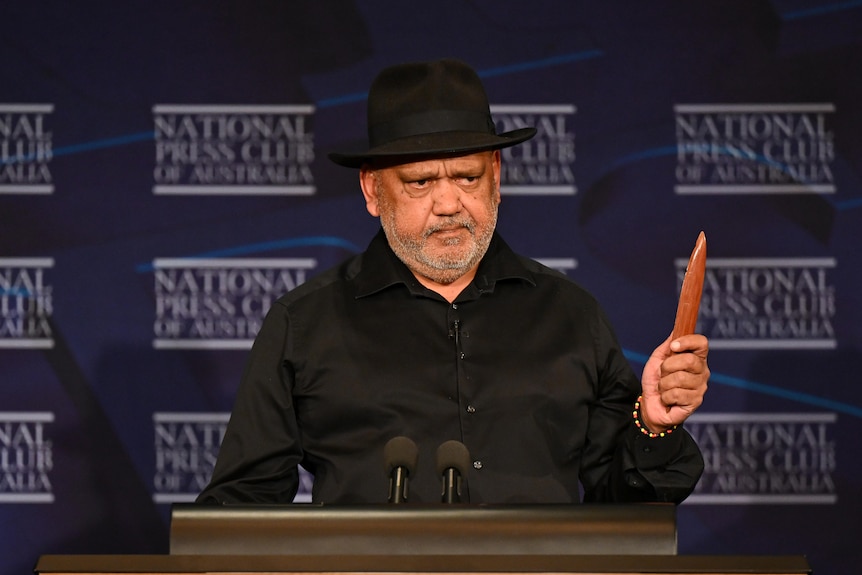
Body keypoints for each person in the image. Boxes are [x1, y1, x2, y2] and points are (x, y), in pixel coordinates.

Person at [197, 58, 709, 505]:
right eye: (420, 182)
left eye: (467, 177)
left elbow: (626, 505)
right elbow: (242, 509)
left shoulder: (571, 314)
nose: (448, 204)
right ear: (373, 190)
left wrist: (654, 426)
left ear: (497, 176)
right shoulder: (305, 324)